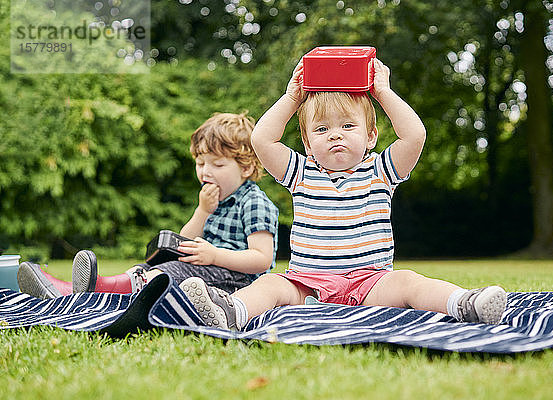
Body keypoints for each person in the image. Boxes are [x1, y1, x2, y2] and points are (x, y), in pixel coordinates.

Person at [179, 56, 508, 330]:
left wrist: (382, 92)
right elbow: (262, 140)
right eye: (322, 130)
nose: (335, 135)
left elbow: (414, 135)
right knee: (270, 285)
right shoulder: (301, 173)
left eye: (347, 126)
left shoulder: (381, 171)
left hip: (370, 285)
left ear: (370, 136)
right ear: (307, 144)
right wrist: (293, 96)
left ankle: (465, 303)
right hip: (306, 284)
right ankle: (230, 311)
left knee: (409, 282)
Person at [17, 112, 279, 299]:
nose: (205, 172)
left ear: (246, 167)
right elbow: (185, 241)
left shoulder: (254, 202)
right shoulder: (211, 200)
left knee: (166, 275)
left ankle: (92, 291)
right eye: (200, 164)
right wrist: (202, 212)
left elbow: (262, 259)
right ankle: (88, 289)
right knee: (149, 269)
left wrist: (215, 256)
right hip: (207, 270)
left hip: (238, 283)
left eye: (217, 164)